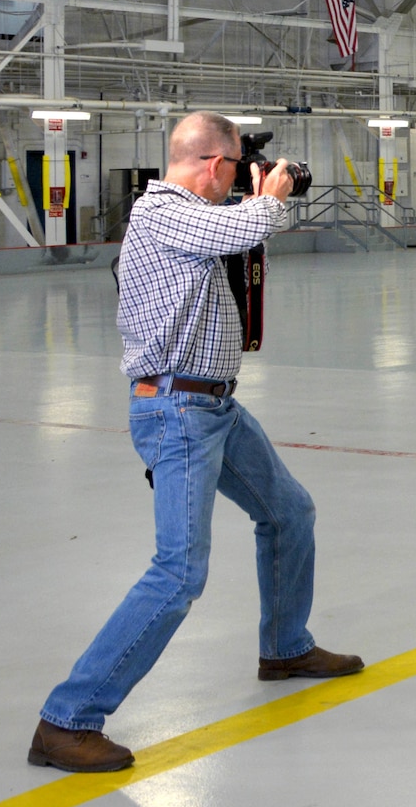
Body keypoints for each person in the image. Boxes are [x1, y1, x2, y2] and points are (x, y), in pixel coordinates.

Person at [31, 113, 362, 773]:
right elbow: (245, 225)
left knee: (290, 511)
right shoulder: (162, 211)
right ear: (214, 165)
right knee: (179, 571)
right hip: (177, 411)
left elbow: (251, 226)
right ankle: (67, 718)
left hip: (215, 406)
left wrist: (267, 189)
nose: (238, 181)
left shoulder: (195, 216)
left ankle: (285, 646)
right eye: (235, 168)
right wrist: (270, 194)